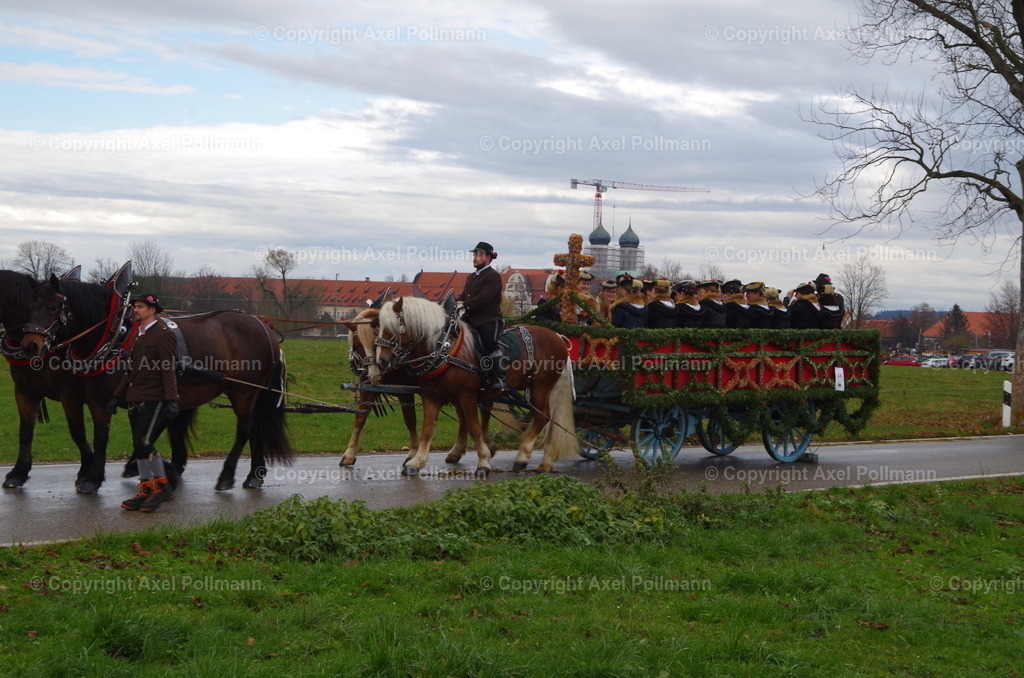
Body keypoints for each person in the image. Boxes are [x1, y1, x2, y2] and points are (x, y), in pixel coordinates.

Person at [111, 294, 179, 512]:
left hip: (154, 397)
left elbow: (168, 369)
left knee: (144, 443)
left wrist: (171, 399)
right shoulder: (139, 334)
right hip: (135, 397)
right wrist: (117, 396)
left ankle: (162, 485)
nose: (135, 310)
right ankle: (146, 487)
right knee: (138, 447)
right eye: (134, 306)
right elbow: (130, 370)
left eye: (140, 306)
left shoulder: (164, 334)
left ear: (152, 310)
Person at [458, 242, 507, 390]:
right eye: (474, 255)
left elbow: (484, 298)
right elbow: (463, 297)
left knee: (489, 342)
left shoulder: (493, 276)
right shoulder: (471, 277)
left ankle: (501, 378)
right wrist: (455, 303)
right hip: (469, 319)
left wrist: (464, 304)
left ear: (488, 257)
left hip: (488, 319)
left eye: (478, 255)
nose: (475, 258)